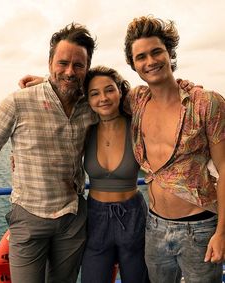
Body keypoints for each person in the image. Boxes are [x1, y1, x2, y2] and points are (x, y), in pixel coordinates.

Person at [0, 23, 98, 283]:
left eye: (78, 65)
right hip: (29, 219)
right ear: (50, 63)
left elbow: (121, 92)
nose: (70, 71)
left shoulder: (91, 105)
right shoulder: (18, 102)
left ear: (87, 68)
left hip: (72, 221)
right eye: (62, 63)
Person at [124, 15, 225, 283]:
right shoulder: (136, 100)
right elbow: (99, 91)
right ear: (134, 65)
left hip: (200, 227)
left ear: (169, 53)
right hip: (154, 226)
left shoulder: (205, 103)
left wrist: (222, 232)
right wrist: (45, 80)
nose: (150, 61)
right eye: (141, 57)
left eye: (156, 52)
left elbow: (224, 169)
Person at [81, 65, 150, 283]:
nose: (103, 98)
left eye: (109, 90)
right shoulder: (85, 129)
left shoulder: (138, 126)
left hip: (133, 216)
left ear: (121, 91)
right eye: (94, 93)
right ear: (88, 100)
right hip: (95, 218)